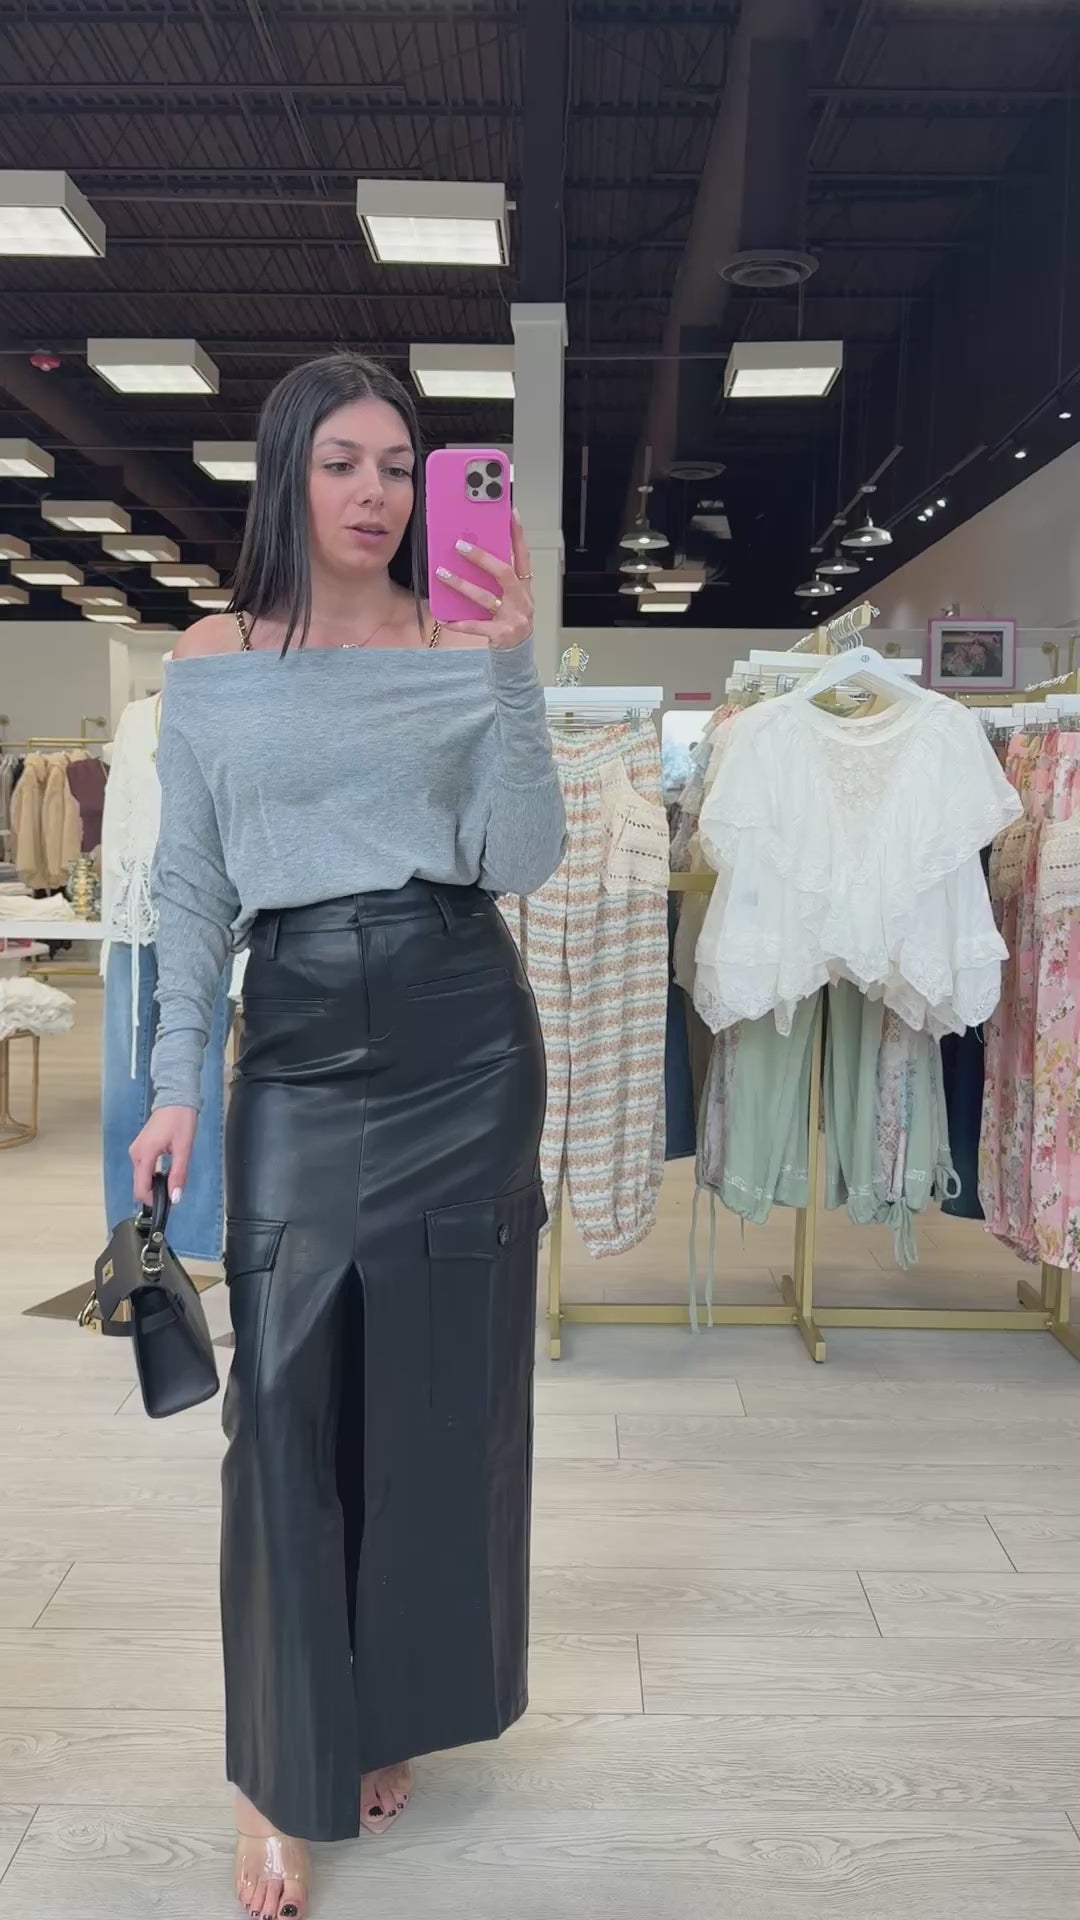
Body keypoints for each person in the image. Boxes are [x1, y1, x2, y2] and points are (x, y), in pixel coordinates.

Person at [129, 353, 566, 1920]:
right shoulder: (213, 660)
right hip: (300, 1044)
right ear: (288, 478)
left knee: (433, 1405)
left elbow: (524, 854)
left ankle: (385, 1712)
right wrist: (176, 1080)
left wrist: (512, 675)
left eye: (397, 465)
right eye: (342, 464)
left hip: (463, 1030)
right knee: (283, 1410)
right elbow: (192, 887)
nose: (376, 492)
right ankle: (278, 1775)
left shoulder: (461, 648)